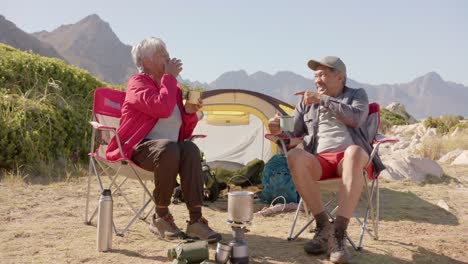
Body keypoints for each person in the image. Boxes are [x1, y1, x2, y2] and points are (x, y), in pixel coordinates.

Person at [268, 56, 385, 263]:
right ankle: (323, 225)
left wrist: (322, 100)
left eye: (322, 74)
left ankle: (338, 236)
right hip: (321, 161)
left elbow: (357, 119)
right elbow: (292, 134)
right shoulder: (306, 103)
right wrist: (277, 130)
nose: (317, 80)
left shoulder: (357, 95)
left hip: (352, 161)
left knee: (353, 153)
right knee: (295, 155)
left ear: (339, 77)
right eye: (315, 76)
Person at [106, 37, 221, 243]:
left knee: (190, 149)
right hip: (139, 149)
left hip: (169, 152)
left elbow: (183, 131)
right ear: (146, 61)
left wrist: (188, 112)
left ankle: (195, 220)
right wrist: (169, 77)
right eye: (162, 54)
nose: (168, 57)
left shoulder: (173, 89)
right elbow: (162, 108)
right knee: (169, 148)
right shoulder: (138, 84)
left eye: (167, 52)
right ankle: (160, 216)